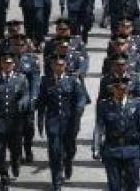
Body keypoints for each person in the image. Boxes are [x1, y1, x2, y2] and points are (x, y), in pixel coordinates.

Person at [37, 55, 89, 190]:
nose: (59, 67)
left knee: (70, 148)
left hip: (70, 121)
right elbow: (41, 102)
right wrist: (40, 119)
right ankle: (56, 179)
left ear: (65, 66)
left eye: (61, 65)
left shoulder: (72, 81)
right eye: (56, 65)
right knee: (54, 150)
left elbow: (81, 97)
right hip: (53, 121)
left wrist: (78, 108)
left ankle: (68, 161)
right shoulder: (46, 81)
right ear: (52, 66)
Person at [0, 52, 31, 190]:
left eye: (10, 63)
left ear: (14, 65)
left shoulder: (21, 79)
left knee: (16, 149)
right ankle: (3, 175)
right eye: (5, 63)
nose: (7, 66)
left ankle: (15, 163)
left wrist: (23, 101)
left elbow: (26, 94)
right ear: (1, 64)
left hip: (15, 121)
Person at [93, 76, 140, 191]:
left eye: (123, 89)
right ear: (113, 89)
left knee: (133, 183)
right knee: (114, 186)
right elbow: (99, 127)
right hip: (112, 150)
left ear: (127, 89)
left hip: (131, 150)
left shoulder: (136, 105)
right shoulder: (104, 105)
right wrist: (96, 147)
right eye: (117, 88)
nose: (120, 91)